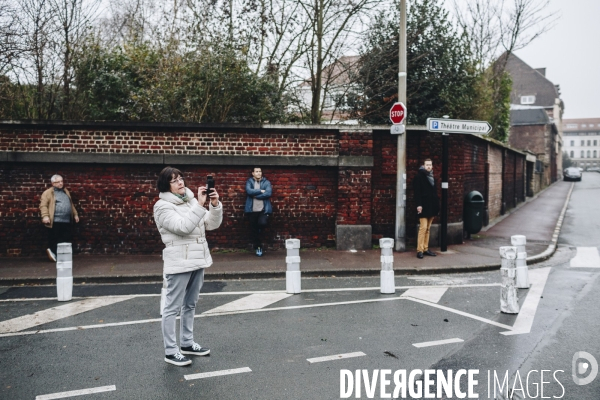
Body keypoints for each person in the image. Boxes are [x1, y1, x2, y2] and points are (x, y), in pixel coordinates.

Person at [153, 167, 222, 367]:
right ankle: (171, 351)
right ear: (167, 186)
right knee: (172, 308)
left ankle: (187, 343)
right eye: (175, 181)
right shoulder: (162, 206)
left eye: (181, 178)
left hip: (198, 260)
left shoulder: (191, 201)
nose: (181, 182)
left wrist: (214, 205)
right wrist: (200, 205)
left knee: (190, 304)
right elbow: (182, 227)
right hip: (179, 263)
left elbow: (211, 224)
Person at [39, 174, 80, 262]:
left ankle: (61, 257)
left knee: (65, 238)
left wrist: (75, 214)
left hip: (66, 220)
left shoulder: (65, 191)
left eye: (62, 181)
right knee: (54, 238)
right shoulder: (48, 193)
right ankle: (53, 253)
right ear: (53, 183)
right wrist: (45, 216)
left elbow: (71, 204)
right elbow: (43, 206)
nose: (61, 183)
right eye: (58, 182)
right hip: (55, 220)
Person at [413, 158, 439, 259]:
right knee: (423, 228)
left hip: (431, 206)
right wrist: (419, 205)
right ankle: (419, 250)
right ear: (423, 166)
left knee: (428, 228)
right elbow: (417, 193)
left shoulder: (432, 177)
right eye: (427, 165)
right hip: (423, 206)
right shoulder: (419, 177)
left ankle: (425, 248)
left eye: (430, 165)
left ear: (432, 166)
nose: (428, 166)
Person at [244, 167, 272, 257]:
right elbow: (249, 191)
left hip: (263, 210)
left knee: (262, 223)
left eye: (260, 171)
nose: (259, 173)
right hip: (252, 210)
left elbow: (268, 193)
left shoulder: (266, 182)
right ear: (253, 173)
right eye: (257, 171)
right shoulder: (250, 182)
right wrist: (260, 191)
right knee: (254, 231)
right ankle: (258, 248)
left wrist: (256, 196)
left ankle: (259, 229)